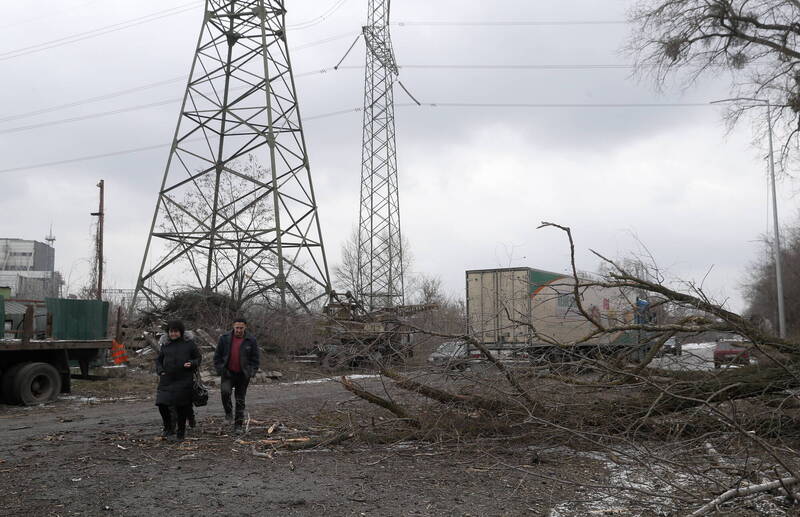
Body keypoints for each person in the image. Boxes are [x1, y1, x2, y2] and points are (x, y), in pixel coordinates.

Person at [155, 320, 201, 441]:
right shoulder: (165, 344)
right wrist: (160, 370)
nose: (173, 334)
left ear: (181, 332)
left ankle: (181, 433)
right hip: (167, 379)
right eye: (171, 331)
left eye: (176, 331)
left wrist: (191, 363)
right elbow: (159, 360)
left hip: (184, 379)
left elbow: (198, 358)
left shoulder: (189, 344)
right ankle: (168, 427)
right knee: (161, 404)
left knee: (182, 407)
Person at [213, 317, 260, 433]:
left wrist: (251, 372)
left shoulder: (251, 340)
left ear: (245, 327)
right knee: (225, 392)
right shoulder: (224, 339)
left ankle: (238, 425)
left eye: (241, 328)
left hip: (243, 375)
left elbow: (255, 358)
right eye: (237, 327)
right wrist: (220, 369)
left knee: (240, 400)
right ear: (233, 327)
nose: (239, 330)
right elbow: (217, 356)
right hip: (227, 373)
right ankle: (228, 413)